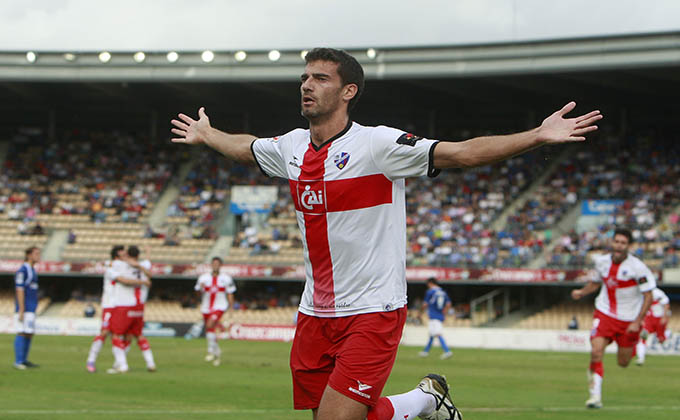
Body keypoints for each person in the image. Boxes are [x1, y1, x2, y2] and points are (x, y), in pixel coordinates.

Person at [171, 47, 600, 420]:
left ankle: (423, 400)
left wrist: (538, 136)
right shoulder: (291, 147)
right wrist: (209, 135)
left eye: (321, 78)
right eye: (304, 77)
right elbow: (247, 149)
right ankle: (426, 400)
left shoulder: (379, 146)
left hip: (372, 309)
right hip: (314, 313)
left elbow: (462, 154)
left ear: (348, 91)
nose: (307, 85)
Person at [571, 228, 655, 409]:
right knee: (596, 351)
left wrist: (638, 321)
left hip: (629, 320)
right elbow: (595, 282)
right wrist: (581, 292)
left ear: (629, 246)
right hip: (605, 313)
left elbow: (648, 295)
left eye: (623, 243)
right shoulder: (601, 262)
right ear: (612, 243)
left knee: (623, 363)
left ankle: (635, 343)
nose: (618, 246)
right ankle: (595, 396)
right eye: (616, 241)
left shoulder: (638, 268)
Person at [107, 246, 156, 373]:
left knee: (116, 335)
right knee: (136, 335)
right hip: (140, 306)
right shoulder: (144, 264)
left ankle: (122, 365)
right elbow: (148, 267)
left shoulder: (120, 265)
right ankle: (150, 363)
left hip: (124, 305)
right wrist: (148, 253)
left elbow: (123, 279)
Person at [86, 245, 124, 373]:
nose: (125, 257)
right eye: (122, 255)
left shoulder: (120, 266)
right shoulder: (111, 269)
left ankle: (119, 363)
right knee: (104, 332)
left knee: (116, 334)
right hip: (109, 305)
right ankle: (91, 360)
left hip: (119, 305)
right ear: (116, 256)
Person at [194, 256, 236, 366]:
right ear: (211, 265)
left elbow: (230, 293)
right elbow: (197, 293)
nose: (215, 265)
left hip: (220, 307)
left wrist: (231, 308)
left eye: (217, 264)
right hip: (206, 307)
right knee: (210, 329)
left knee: (209, 325)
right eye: (214, 264)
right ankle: (216, 352)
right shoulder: (203, 278)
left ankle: (210, 351)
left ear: (220, 265)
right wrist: (200, 289)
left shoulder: (226, 278)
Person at [13, 246, 41, 370]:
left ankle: (24, 360)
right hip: (25, 308)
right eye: (36, 254)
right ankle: (18, 361)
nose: (38, 256)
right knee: (22, 331)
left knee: (29, 333)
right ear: (29, 255)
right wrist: (21, 309)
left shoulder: (32, 270)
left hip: (31, 307)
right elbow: (19, 290)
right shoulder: (23, 270)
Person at [635, 287, 671, 366]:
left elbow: (666, 304)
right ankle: (641, 358)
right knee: (642, 337)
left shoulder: (657, 293)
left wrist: (664, 317)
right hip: (649, 320)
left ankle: (667, 334)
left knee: (661, 339)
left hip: (659, 319)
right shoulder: (641, 293)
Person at [419, 278, 453, 359]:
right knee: (431, 333)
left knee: (437, 333)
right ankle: (425, 351)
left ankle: (447, 351)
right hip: (440, 315)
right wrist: (444, 312)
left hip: (433, 315)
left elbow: (425, 304)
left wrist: (420, 312)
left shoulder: (430, 292)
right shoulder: (443, 292)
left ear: (430, 283)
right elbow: (448, 303)